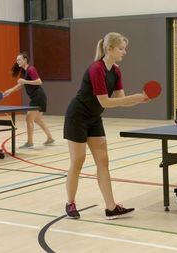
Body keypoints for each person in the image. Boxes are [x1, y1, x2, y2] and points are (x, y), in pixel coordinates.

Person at [64, 32, 149, 220]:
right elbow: (105, 102)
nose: (124, 52)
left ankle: (111, 207)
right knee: (78, 161)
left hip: (94, 118)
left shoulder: (116, 71)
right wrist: (134, 97)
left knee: (103, 161)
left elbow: (121, 100)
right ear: (109, 49)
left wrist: (139, 100)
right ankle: (70, 203)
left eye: (125, 48)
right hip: (77, 117)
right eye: (121, 48)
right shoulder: (96, 69)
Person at [3, 52, 55, 148]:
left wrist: (25, 81)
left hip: (38, 97)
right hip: (37, 97)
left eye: (19, 59)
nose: (17, 61)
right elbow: (21, 85)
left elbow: (39, 82)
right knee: (38, 120)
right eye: (17, 60)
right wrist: (10, 91)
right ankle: (50, 138)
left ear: (25, 60)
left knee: (29, 118)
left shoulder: (31, 69)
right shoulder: (23, 71)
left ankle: (29, 142)